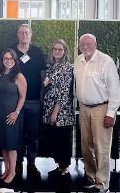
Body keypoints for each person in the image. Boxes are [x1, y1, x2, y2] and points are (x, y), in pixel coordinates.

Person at [74, 33, 120, 192]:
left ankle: (102, 185)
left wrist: (110, 113)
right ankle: (91, 177)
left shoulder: (106, 61)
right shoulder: (78, 61)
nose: (85, 47)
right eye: (82, 45)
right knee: (86, 147)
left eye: (89, 44)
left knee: (102, 148)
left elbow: (115, 90)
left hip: (102, 109)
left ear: (95, 44)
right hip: (84, 108)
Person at [12, 23, 46, 177]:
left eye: (27, 32)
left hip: (33, 101)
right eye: (21, 32)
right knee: (17, 134)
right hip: (16, 101)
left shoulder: (37, 52)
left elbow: (43, 75)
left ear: (31, 35)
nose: (24, 34)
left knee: (33, 134)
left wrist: (42, 97)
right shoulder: (12, 51)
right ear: (17, 35)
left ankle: (31, 164)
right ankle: (17, 163)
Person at [42, 39, 75, 177]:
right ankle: (60, 167)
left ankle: (64, 169)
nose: (57, 51)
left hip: (62, 111)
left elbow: (64, 91)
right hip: (50, 108)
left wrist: (55, 111)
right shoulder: (53, 66)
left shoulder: (67, 67)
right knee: (55, 139)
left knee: (63, 140)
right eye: (55, 49)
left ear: (65, 51)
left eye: (60, 49)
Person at [0, 48, 27, 184]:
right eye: (6, 59)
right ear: (2, 60)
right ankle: (7, 169)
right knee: (3, 144)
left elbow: (23, 97)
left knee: (11, 145)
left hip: (12, 115)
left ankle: (13, 171)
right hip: (0, 114)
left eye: (11, 59)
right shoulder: (0, 75)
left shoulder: (19, 76)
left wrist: (16, 112)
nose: (8, 61)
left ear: (15, 60)